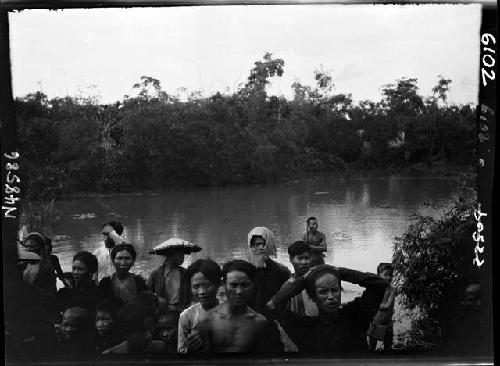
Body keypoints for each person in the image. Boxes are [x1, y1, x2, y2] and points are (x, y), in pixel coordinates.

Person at [267, 264, 387, 354]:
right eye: (323, 292)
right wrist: (304, 280)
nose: (331, 297)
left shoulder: (355, 317)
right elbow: (272, 305)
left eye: (334, 290)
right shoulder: (305, 328)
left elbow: (379, 284)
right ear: (313, 297)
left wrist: (339, 271)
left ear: (340, 291)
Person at [197, 259, 282, 353]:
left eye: (245, 285)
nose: (239, 291)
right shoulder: (208, 320)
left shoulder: (260, 323)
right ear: (224, 285)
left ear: (253, 285)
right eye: (233, 285)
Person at [178, 259, 222, 353]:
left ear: (218, 284)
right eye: (196, 286)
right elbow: (181, 351)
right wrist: (189, 350)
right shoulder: (186, 316)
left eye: (207, 285)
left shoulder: (232, 311)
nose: (202, 292)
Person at [247, 227, 291, 315]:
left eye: (264, 244)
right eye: (257, 244)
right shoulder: (245, 271)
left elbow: (287, 298)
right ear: (251, 246)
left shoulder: (281, 271)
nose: (261, 248)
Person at [367, 263, 396, 352]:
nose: (389, 277)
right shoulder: (375, 289)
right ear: (378, 275)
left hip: (387, 324)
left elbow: (387, 306)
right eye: (386, 275)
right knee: (371, 347)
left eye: (390, 275)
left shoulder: (392, 290)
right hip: (376, 322)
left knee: (387, 348)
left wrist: (375, 305)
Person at [284, 241, 318, 316]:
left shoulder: (319, 282)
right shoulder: (287, 286)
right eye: (300, 258)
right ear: (291, 259)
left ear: (311, 258)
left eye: (307, 258)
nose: (304, 262)